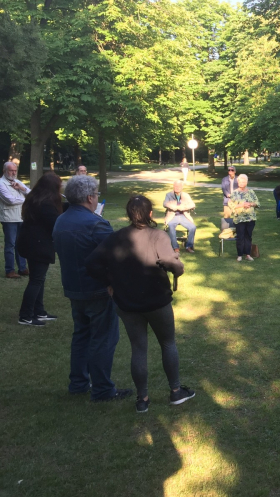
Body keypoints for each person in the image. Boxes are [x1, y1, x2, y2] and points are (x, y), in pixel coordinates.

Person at [85, 195, 194, 413]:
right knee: (168, 343)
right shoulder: (158, 236)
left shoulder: (116, 237)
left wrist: (109, 282)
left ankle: (142, 400)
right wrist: (177, 265)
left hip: (126, 303)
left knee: (138, 348)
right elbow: (174, 265)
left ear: (128, 215)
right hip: (157, 302)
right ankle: (175, 392)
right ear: (150, 214)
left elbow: (91, 263)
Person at [52, 175, 132, 401]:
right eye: (96, 195)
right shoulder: (95, 224)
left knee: (81, 336)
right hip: (98, 290)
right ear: (89, 197)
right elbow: (119, 255)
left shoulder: (61, 220)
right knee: (103, 339)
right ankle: (103, 389)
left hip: (73, 288)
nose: (97, 199)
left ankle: (78, 383)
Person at [16, 173, 63, 326]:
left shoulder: (35, 199)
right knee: (36, 280)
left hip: (31, 243)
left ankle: (39, 311)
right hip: (38, 245)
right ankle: (26, 315)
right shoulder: (46, 204)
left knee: (38, 279)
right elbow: (55, 223)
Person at [0, 161, 30, 278]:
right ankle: (10, 270)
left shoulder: (18, 182)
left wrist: (22, 188)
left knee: (20, 244)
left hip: (21, 217)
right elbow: (10, 201)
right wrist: (25, 199)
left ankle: (22, 268)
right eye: (11, 170)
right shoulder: (1, 183)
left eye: (15, 170)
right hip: (9, 219)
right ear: (4, 171)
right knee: (10, 245)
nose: (13, 173)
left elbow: (32, 194)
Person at [228, 174, 260, 262]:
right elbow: (231, 204)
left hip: (250, 218)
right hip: (239, 219)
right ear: (238, 182)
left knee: (248, 236)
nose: (241, 183)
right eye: (240, 181)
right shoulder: (234, 193)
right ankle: (239, 255)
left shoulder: (251, 192)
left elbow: (257, 203)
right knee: (240, 236)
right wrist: (241, 205)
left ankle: (248, 254)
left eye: (243, 181)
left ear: (246, 182)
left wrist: (250, 204)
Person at [163, 180, 196, 254]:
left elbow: (192, 205)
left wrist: (183, 208)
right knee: (171, 226)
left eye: (178, 186)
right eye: (175, 186)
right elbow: (165, 203)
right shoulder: (169, 195)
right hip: (172, 216)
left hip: (184, 216)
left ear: (181, 187)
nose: (176, 188)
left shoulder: (185, 195)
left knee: (193, 227)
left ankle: (188, 246)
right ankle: (175, 247)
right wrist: (175, 207)